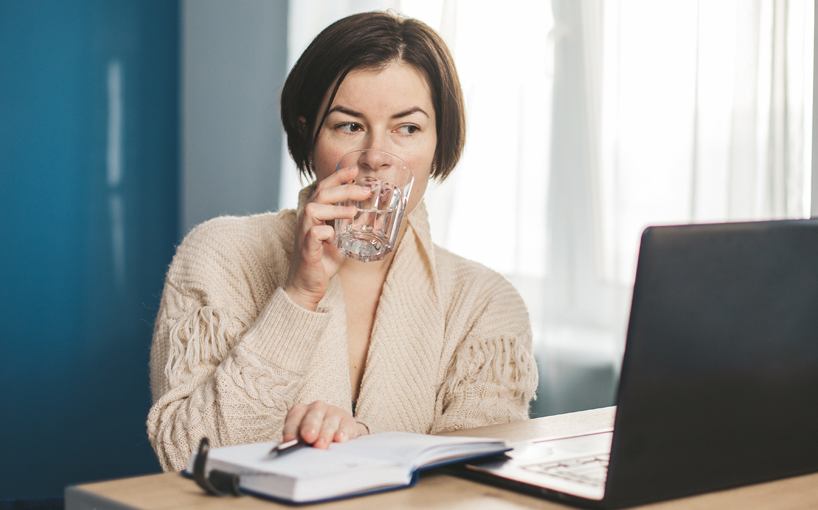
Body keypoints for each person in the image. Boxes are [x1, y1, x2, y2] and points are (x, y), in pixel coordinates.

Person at [146, 11, 538, 472]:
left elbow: (475, 479)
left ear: (439, 143)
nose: (376, 158)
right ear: (308, 134)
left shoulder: (485, 303)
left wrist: (366, 445)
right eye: (349, 126)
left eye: (407, 128)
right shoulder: (220, 256)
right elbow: (185, 459)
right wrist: (298, 295)